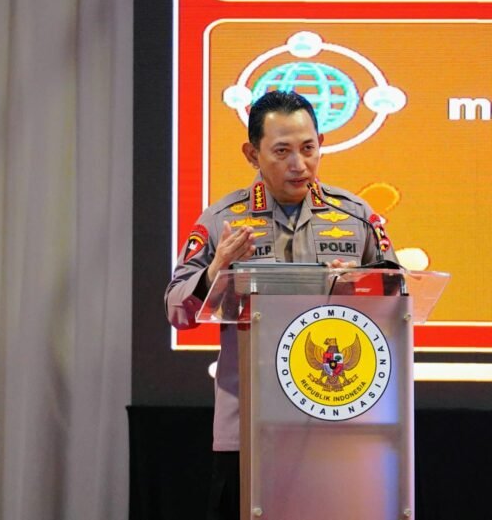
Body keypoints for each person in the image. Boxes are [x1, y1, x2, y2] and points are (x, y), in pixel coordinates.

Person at [165, 90, 398, 520]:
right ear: (252, 154)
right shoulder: (222, 220)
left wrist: (361, 285)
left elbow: (397, 300)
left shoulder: (357, 217)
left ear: (321, 144)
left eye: (308, 149)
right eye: (282, 151)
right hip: (248, 425)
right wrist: (215, 269)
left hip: (337, 415)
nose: (299, 164)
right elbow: (177, 311)